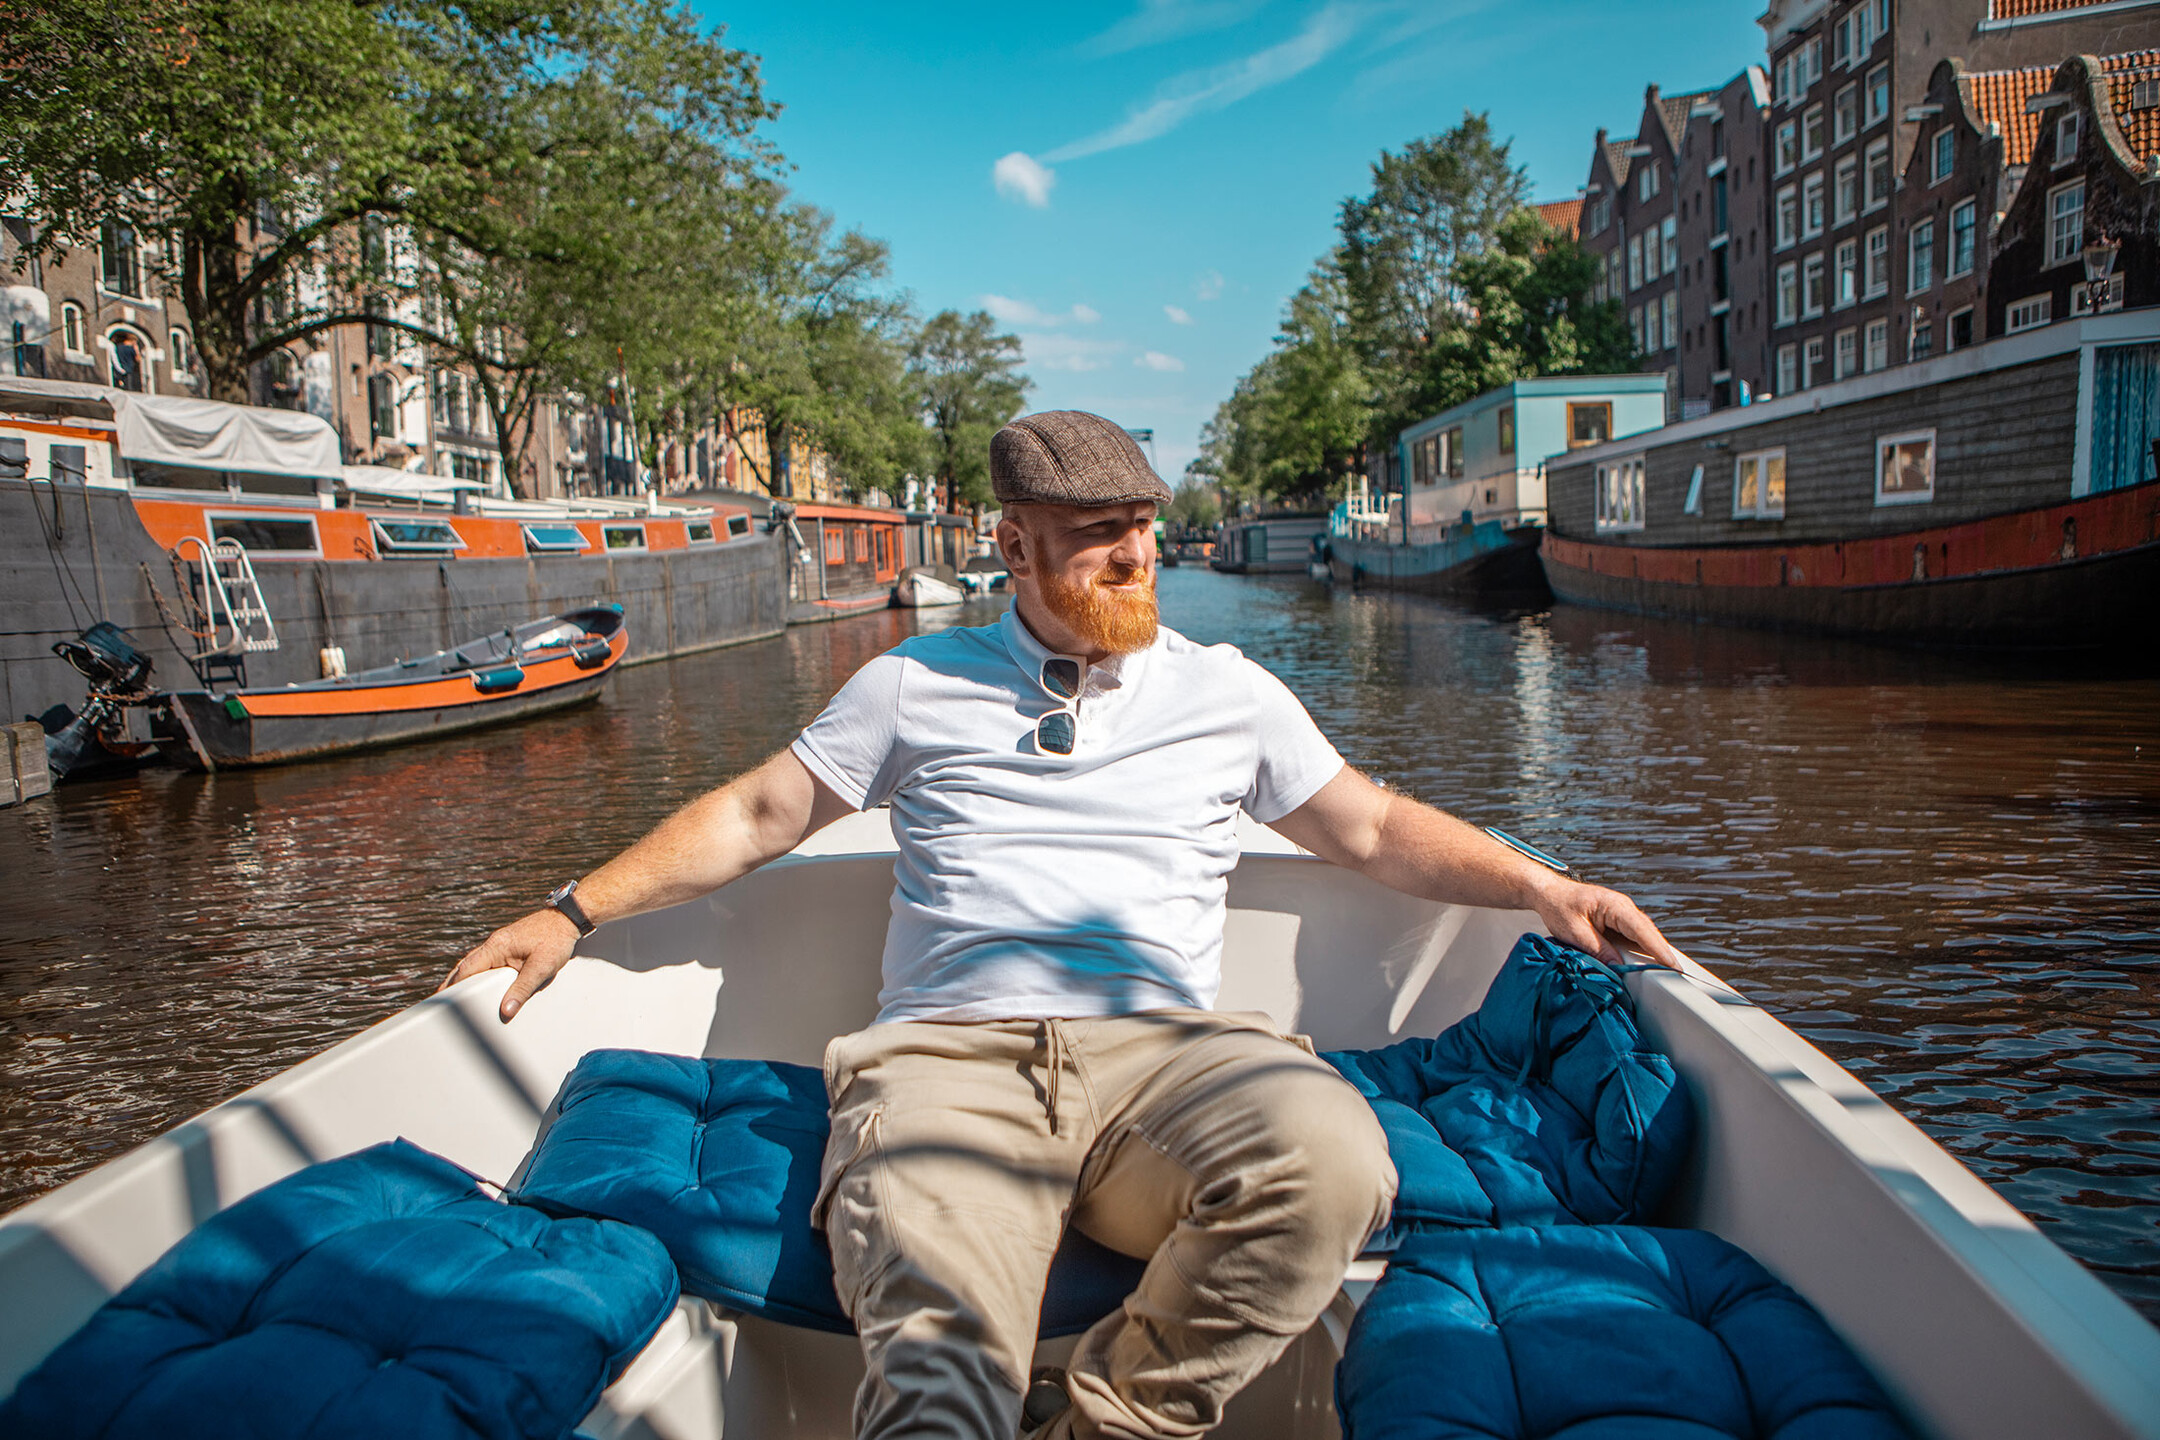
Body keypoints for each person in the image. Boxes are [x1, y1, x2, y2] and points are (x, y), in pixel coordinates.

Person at [441, 410, 1683, 1440]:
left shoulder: (1229, 693)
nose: (1136, 554)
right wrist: (571, 910)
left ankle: (1105, 1422)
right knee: (936, 1384)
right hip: (948, 1063)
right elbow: (759, 815)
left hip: (1172, 1062)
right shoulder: (914, 683)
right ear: (1014, 546)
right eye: (1097, 534)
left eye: (1142, 523)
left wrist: (1544, 887)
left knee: (1334, 1165)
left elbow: (1369, 829)